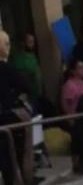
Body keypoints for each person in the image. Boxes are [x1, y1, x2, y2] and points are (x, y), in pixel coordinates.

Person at [0, 30, 34, 185]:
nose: (9, 47)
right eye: (6, 44)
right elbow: (27, 86)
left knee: (6, 158)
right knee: (19, 155)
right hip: (11, 115)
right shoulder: (8, 69)